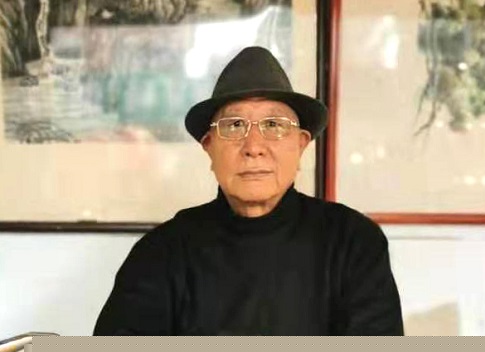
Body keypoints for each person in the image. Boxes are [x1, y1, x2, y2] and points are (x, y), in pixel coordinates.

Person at [94, 46, 404, 336]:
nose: (254, 147)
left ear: (301, 144)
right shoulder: (162, 253)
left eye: (274, 125)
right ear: (208, 146)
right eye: (234, 126)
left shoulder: (352, 242)